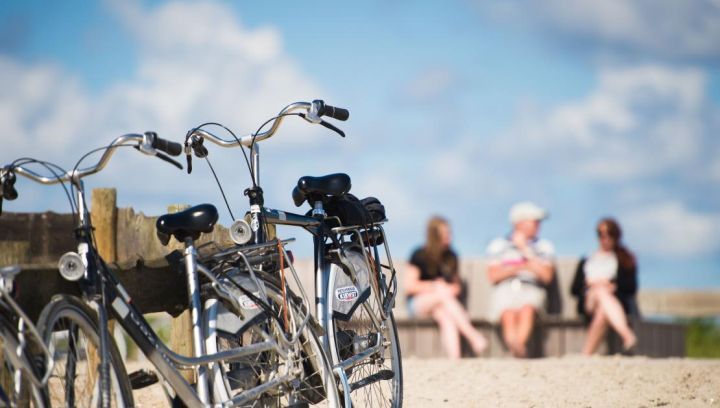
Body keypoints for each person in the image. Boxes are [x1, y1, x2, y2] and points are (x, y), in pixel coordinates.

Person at [405, 216, 488, 359]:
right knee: (442, 292)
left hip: (443, 305)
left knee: (444, 316)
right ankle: (473, 336)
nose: (449, 236)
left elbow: (456, 288)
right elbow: (410, 287)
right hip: (418, 304)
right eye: (445, 233)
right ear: (434, 235)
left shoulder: (451, 256)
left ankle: (454, 359)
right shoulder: (419, 254)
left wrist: (445, 288)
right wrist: (434, 286)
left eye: (449, 232)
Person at [486, 202, 555, 358]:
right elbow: (493, 276)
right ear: (520, 223)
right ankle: (518, 350)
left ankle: (516, 350)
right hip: (505, 290)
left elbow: (546, 276)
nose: (539, 225)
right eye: (535, 221)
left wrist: (525, 249)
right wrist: (522, 267)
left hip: (531, 289)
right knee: (508, 314)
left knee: (527, 309)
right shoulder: (499, 245)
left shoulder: (544, 246)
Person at [571, 218, 638, 355]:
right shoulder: (587, 259)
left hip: (611, 302)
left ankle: (586, 354)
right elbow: (574, 288)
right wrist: (591, 284)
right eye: (601, 235)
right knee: (600, 292)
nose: (605, 239)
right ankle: (626, 334)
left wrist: (614, 286)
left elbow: (631, 287)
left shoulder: (624, 259)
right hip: (589, 301)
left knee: (602, 310)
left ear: (616, 236)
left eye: (609, 235)